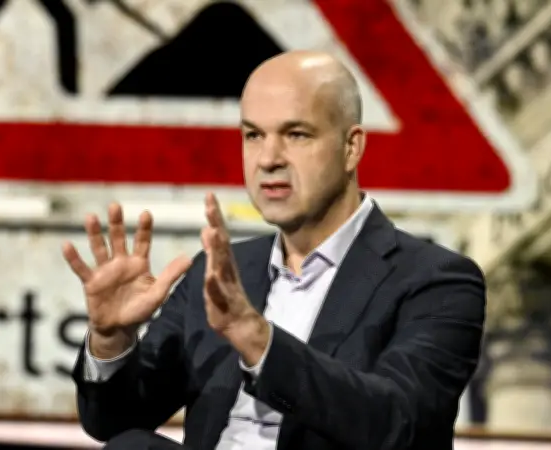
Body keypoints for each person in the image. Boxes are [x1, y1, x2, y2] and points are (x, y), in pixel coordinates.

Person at [62, 51, 486, 450]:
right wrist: (111, 340)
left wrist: (259, 342)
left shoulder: (436, 280)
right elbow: (113, 422)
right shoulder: (219, 273)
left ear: (351, 147)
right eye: (253, 135)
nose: (268, 159)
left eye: (296, 134)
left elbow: (401, 424)